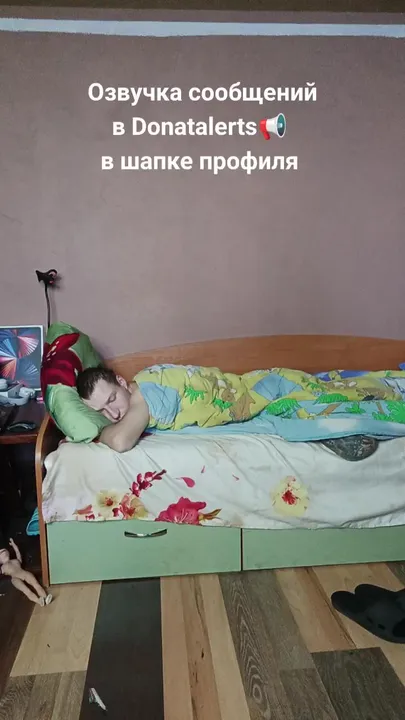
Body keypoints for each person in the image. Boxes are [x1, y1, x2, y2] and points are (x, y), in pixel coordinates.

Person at [76, 365, 379, 460]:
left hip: (248, 390)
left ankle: (340, 426)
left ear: (121, 382)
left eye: (112, 399)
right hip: (246, 385)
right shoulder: (141, 384)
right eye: (101, 411)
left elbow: (121, 441)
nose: (113, 413)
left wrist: (102, 431)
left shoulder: (144, 394)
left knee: (309, 396)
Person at [0, 538, 52, 606]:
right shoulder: (2, 567)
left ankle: (45, 597)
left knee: (36, 584)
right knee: (26, 591)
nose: (3, 553)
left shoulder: (16, 560)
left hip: (24, 573)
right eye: (1, 553)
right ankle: (39, 601)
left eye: (4, 551)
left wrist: (13, 545)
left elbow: (18, 552)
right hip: (15, 579)